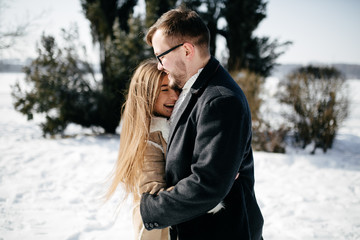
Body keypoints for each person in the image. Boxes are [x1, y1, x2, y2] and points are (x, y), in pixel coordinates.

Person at [140, 7, 264, 240]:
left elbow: (207, 186)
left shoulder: (219, 100)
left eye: (161, 56)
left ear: (186, 50)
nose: (159, 66)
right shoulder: (196, 89)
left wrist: (150, 207)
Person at [106, 59, 179, 240]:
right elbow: (153, 198)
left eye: (176, 88)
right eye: (164, 90)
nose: (175, 96)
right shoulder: (149, 141)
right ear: (146, 94)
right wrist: (207, 187)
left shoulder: (169, 128)